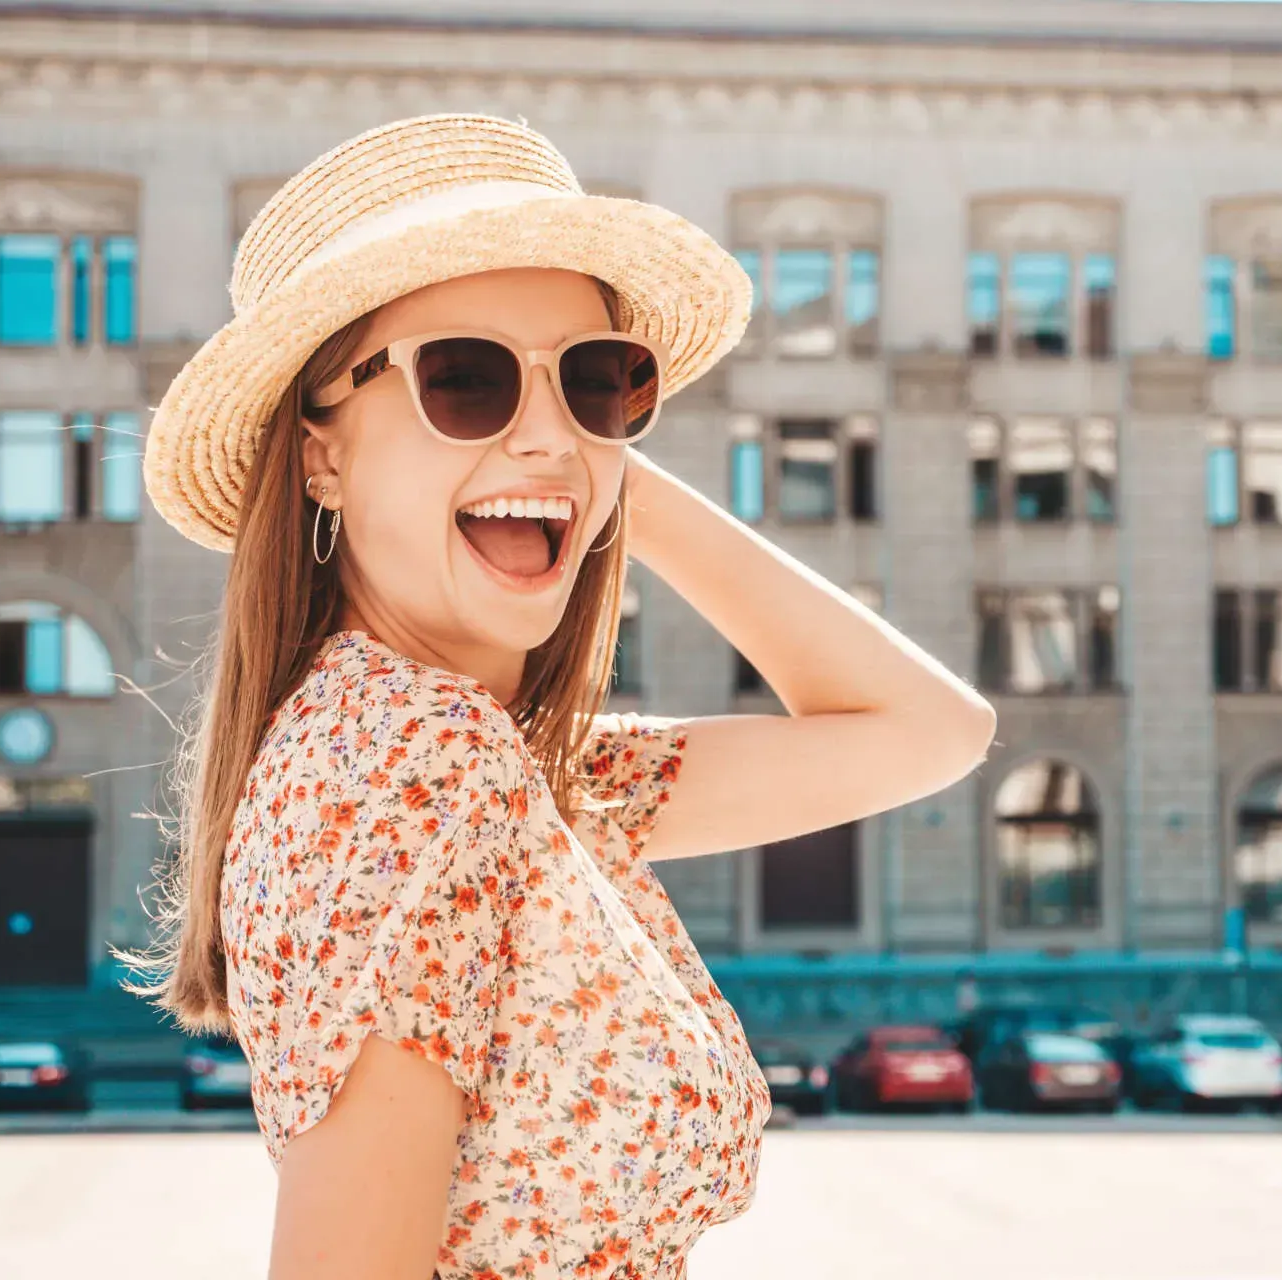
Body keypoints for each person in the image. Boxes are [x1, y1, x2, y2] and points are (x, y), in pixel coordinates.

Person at [122, 114, 996, 1280]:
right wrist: (570, 445)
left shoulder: (524, 774)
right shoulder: (410, 759)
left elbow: (933, 730)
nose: (546, 430)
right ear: (320, 451)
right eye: (466, 377)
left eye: (599, 377)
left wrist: (597, 458)